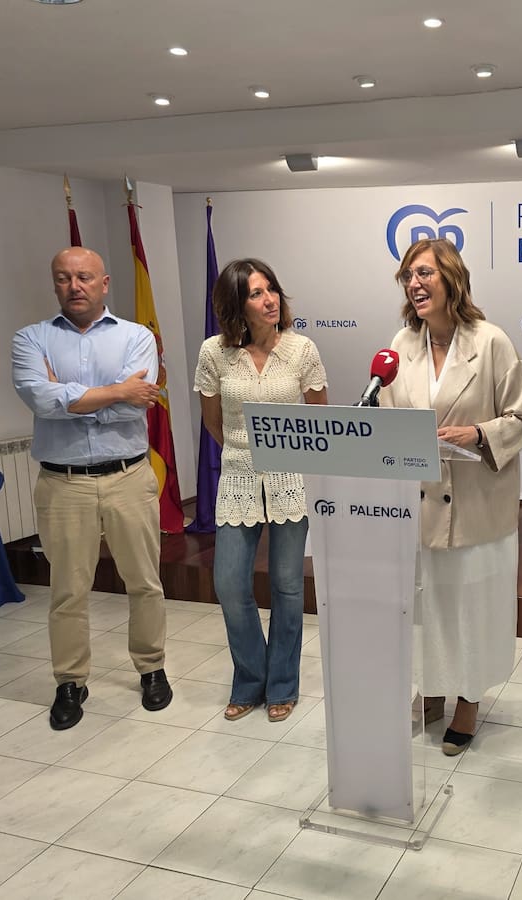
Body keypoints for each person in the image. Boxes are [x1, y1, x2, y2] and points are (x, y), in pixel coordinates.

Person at [379, 238, 522, 755]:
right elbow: (388, 418)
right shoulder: (401, 345)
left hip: (477, 504)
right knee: (428, 605)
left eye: (424, 273)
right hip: (420, 502)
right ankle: (432, 688)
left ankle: (468, 698)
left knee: (472, 606)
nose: (414, 283)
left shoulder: (491, 342)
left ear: (452, 279)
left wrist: (479, 434)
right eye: (408, 276)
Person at [12, 246, 173, 730]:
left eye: (84, 277)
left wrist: (70, 398)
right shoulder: (31, 338)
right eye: (64, 277)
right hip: (63, 484)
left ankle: (151, 668)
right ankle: (70, 682)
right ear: (54, 283)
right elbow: (40, 400)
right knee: (67, 591)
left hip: (128, 477)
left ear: (104, 284)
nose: (74, 286)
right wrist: (117, 390)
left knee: (144, 582)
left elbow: (135, 405)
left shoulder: (136, 336)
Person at [194, 259, 328, 724]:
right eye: (256, 293)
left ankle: (282, 685)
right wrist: (246, 454)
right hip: (238, 478)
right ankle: (250, 680)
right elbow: (214, 423)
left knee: (288, 586)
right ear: (236, 304)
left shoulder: (301, 349)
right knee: (230, 584)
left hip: (292, 480)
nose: (269, 299)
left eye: (271, 289)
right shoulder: (214, 353)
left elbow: (319, 421)